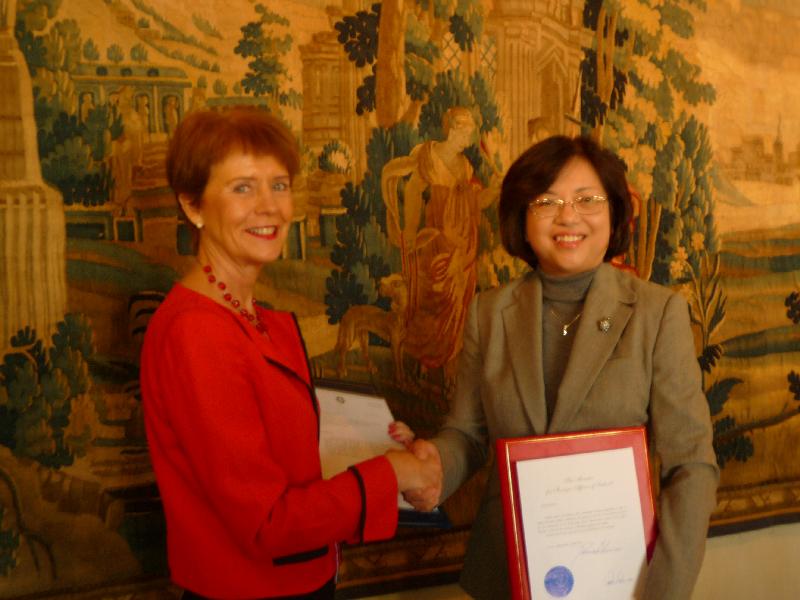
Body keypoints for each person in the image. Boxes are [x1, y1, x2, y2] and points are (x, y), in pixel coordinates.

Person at [140, 107, 438, 599]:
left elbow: (281, 455)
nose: (270, 207)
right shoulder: (198, 333)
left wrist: (376, 445)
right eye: (243, 187)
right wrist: (393, 473)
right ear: (193, 204)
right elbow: (267, 524)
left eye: (279, 185)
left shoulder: (255, 317)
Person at [404, 135, 719, 599]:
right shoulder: (488, 313)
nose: (568, 216)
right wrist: (435, 466)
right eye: (547, 201)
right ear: (522, 219)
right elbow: (468, 435)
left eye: (587, 200)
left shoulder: (658, 314)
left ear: (613, 213)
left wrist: (662, 592)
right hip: (507, 578)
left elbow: (691, 466)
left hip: (622, 581)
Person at [380, 107, 497, 376]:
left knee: (459, 306)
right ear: (453, 129)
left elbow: (476, 203)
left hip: (463, 244)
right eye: (466, 132)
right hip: (437, 240)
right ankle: (426, 362)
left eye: (471, 132)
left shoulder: (466, 166)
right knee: (433, 298)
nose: (469, 138)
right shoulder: (429, 155)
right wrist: (410, 229)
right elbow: (412, 190)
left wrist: (496, 190)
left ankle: (449, 369)